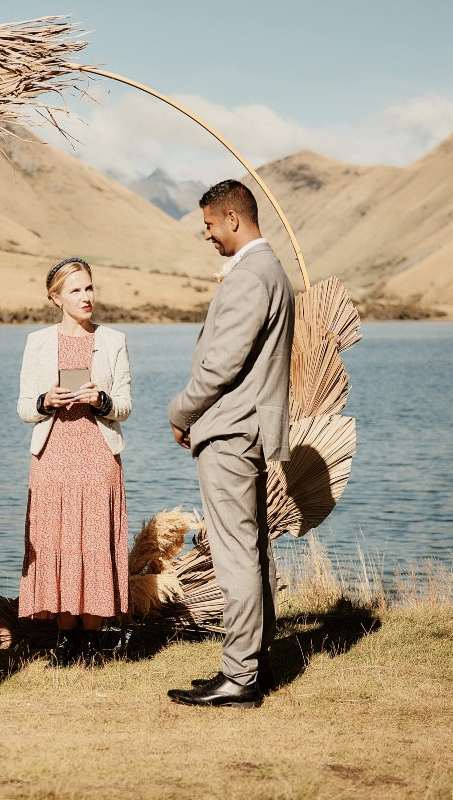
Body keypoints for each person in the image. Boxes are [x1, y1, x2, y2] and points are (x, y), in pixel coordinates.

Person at [165, 180, 295, 708]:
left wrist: (180, 411)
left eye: (210, 225)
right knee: (253, 548)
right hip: (252, 429)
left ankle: (240, 677)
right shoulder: (272, 273)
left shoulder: (250, 276)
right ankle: (254, 661)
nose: (208, 236)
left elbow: (222, 363)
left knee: (235, 553)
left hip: (230, 431)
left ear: (233, 218)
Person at [16, 257, 132, 666]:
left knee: (94, 542)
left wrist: (101, 401)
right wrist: (45, 401)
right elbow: (24, 408)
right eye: (76, 290)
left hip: (98, 453)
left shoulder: (114, 339)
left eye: (89, 288)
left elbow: (126, 405)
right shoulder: (38, 342)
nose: (87, 297)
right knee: (57, 541)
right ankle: (66, 639)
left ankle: (94, 638)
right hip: (53, 454)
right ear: (56, 298)